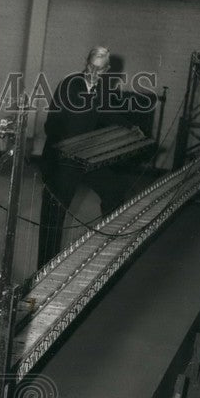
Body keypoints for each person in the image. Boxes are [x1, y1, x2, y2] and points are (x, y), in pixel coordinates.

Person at [37, 46, 128, 268]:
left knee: (115, 189)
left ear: (106, 69)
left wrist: (132, 130)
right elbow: (53, 125)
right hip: (62, 159)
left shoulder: (102, 90)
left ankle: (107, 249)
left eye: (100, 69)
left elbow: (110, 116)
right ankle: (44, 269)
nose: (94, 72)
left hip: (86, 157)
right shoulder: (69, 85)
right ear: (85, 63)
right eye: (91, 67)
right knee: (54, 214)